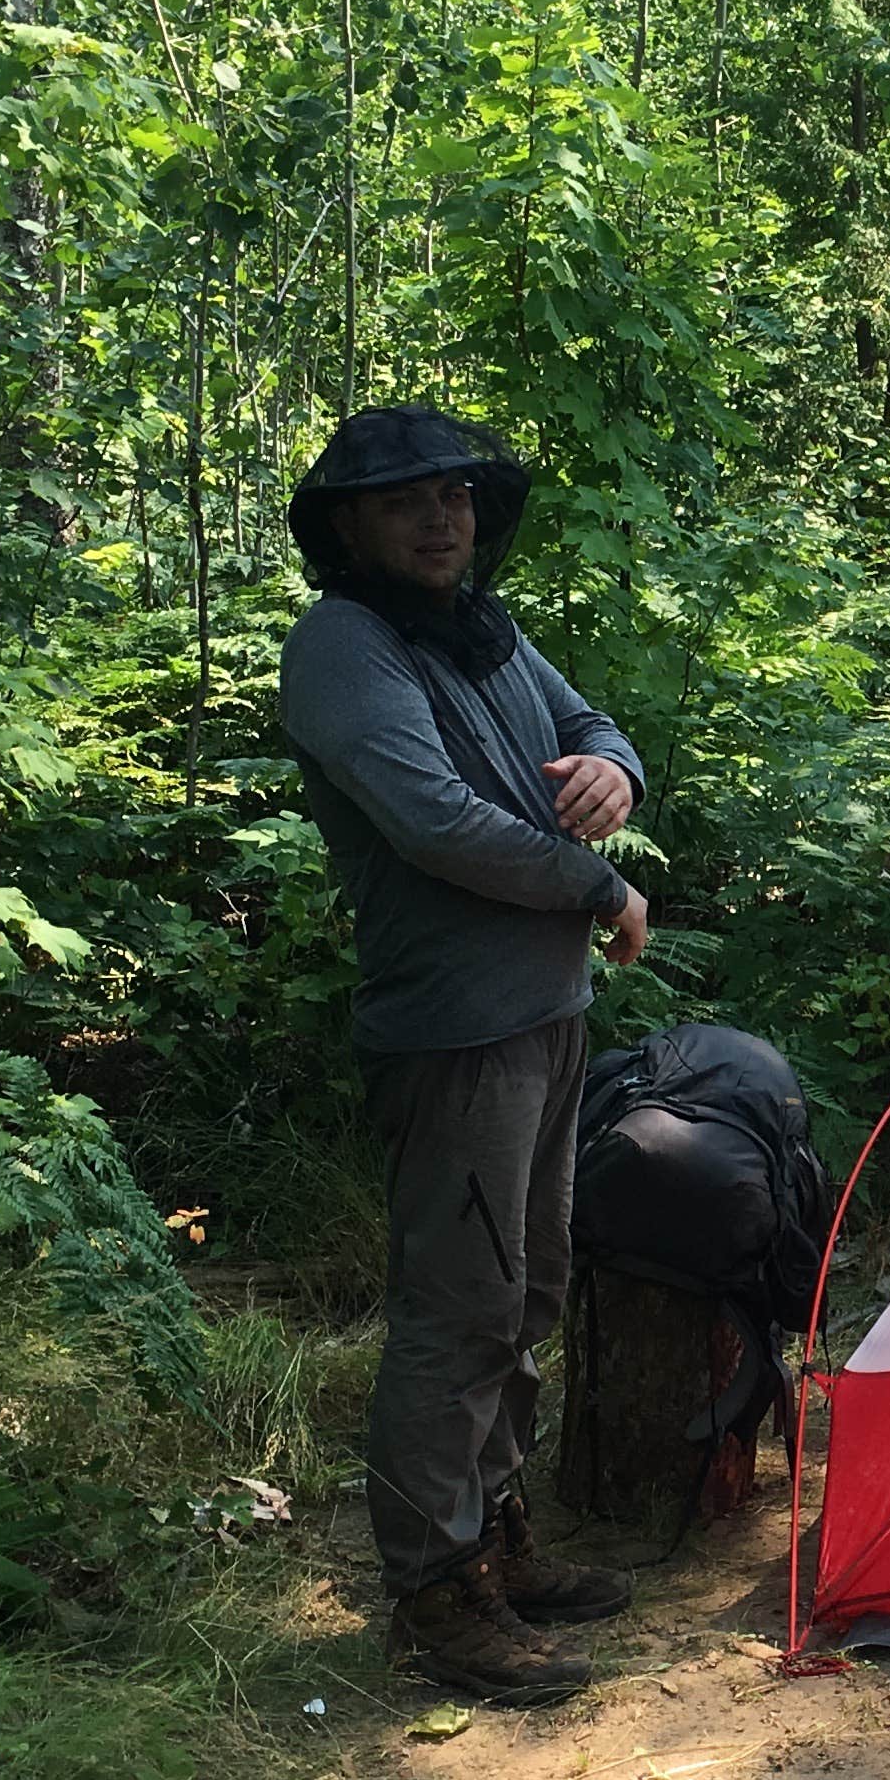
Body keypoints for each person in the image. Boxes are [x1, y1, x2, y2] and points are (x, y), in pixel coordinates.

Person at [279, 405, 651, 1706]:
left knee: (530, 1289)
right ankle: (435, 1596)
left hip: (545, 1021)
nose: (444, 520)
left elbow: (593, 723)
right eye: (406, 504)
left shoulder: (482, 629)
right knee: (459, 1311)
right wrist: (596, 886)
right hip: (455, 1036)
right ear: (348, 529)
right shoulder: (343, 647)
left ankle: (494, 1544)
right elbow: (435, 823)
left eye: (455, 497)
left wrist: (615, 772)